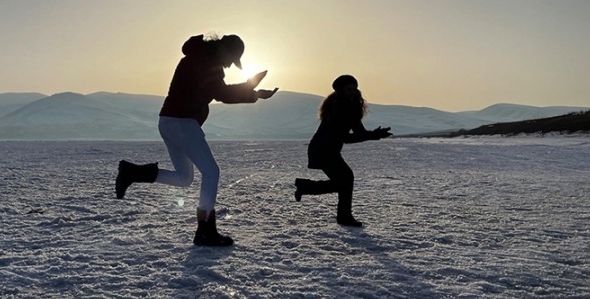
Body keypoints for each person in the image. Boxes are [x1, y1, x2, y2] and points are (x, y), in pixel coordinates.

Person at [115, 33, 278, 246]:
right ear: (224, 51)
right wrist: (252, 90)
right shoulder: (204, 61)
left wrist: (251, 89)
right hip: (182, 123)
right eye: (231, 59)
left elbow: (218, 90)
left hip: (169, 122)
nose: (230, 65)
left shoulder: (199, 57)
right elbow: (221, 93)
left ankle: (133, 172)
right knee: (211, 172)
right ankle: (205, 230)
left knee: (184, 178)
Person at [294, 75, 391, 227]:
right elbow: (345, 137)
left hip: (330, 150)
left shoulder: (351, 108)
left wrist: (375, 134)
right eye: (348, 89)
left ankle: (307, 188)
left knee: (343, 181)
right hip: (322, 150)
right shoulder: (337, 109)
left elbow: (359, 133)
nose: (353, 92)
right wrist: (372, 135)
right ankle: (342, 216)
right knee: (345, 179)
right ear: (341, 91)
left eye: (354, 89)